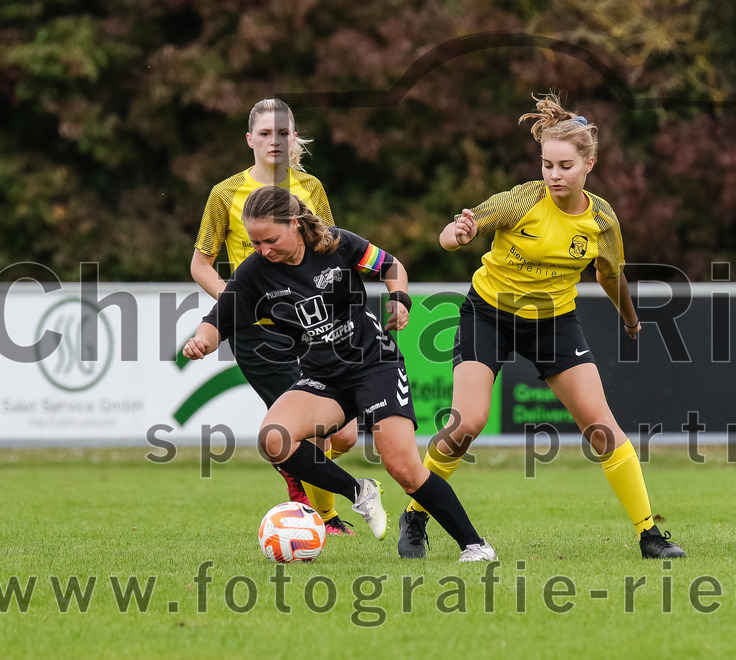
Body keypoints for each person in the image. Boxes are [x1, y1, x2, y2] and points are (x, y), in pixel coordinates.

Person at [395, 93, 686, 560]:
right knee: (467, 422)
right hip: (488, 314)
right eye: (548, 165)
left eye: (565, 166)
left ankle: (650, 534)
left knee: (601, 426)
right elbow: (454, 233)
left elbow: (610, 275)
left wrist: (630, 319)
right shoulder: (522, 199)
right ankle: (416, 514)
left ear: (589, 163)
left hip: (552, 322)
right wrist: (459, 234)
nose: (554, 175)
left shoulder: (602, 220)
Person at [184, 186, 496, 562]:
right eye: (254, 242)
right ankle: (360, 493)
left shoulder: (336, 244)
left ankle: (475, 546)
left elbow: (391, 266)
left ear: (295, 224)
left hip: (373, 364)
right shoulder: (254, 272)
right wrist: (202, 340)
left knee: (404, 468)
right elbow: (220, 318)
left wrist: (399, 298)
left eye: (270, 239)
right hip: (323, 376)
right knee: (274, 439)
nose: (262, 250)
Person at [191, 98, 358, 534]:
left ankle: (296, 470)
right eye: (264, 133)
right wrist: (237, 300)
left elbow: (329, 251)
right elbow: (200, 264)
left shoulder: (311, 188)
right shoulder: (224, 194)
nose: (274, 141)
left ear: (293, 136)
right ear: (249, 139)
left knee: (345, 435)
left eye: (282, 133)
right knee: (311, 431)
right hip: (259, 334)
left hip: (313, 328)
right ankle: (321, 516)